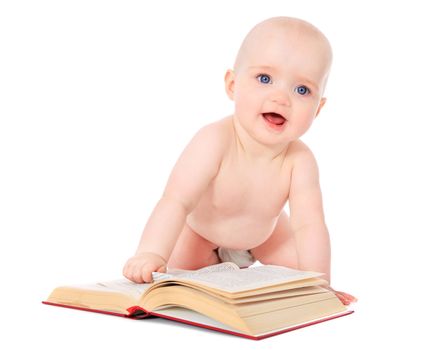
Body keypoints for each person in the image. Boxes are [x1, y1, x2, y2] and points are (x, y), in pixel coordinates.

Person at [123, 16, 357, 305]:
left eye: (302, 90)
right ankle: (194, 266)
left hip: (264, 238)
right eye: (264, 79)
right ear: (233, 84)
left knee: (303, 278)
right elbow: (176, 200)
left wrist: (320, 282)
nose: (281, 98)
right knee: (175, 272)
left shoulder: (300, 159)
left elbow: (309, 224)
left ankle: (288, 280)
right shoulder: (214, 140)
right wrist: (151, 252)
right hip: (201, 233)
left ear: (318, 108)